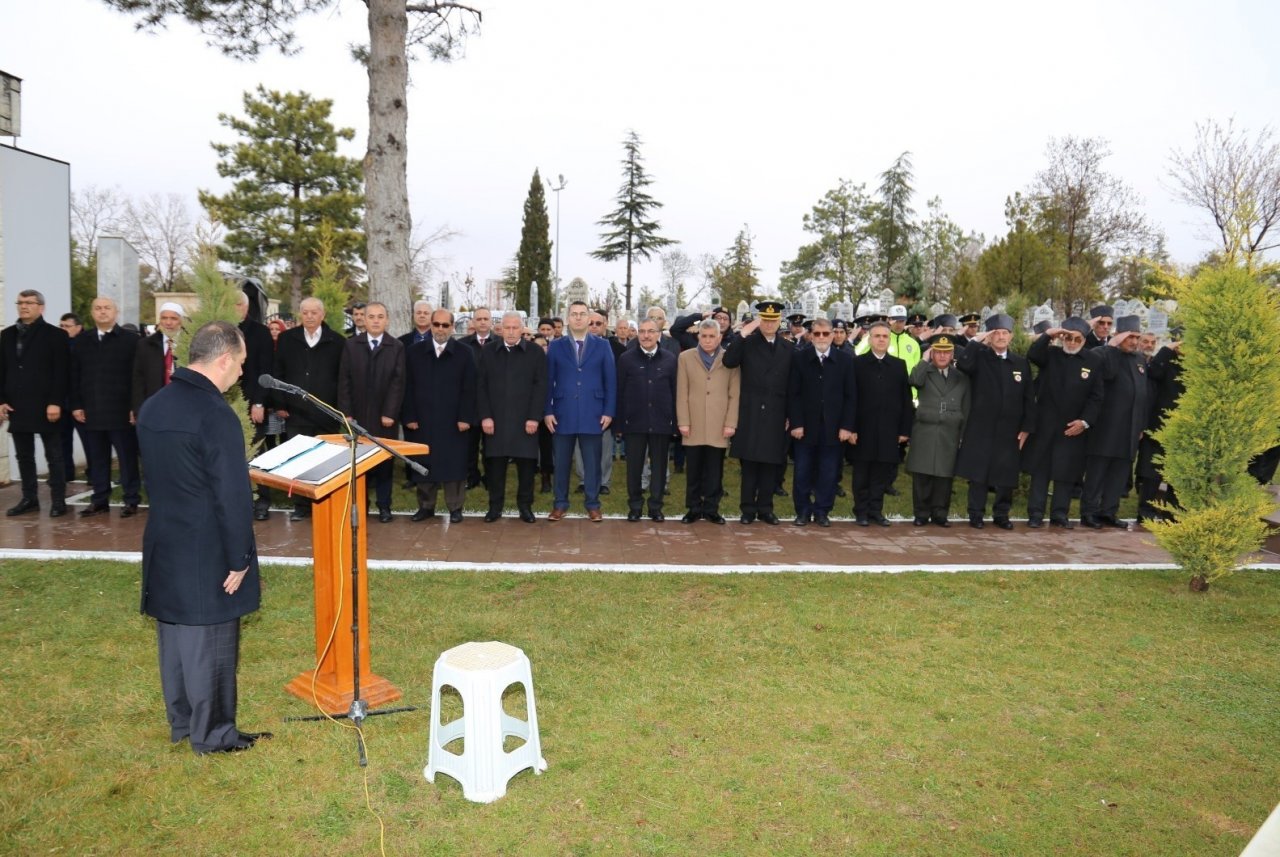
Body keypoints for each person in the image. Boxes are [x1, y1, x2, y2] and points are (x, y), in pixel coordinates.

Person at [137, 320, 268, 755]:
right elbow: (231, 495)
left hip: (165, 535)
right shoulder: (215, 414)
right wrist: (239, 558)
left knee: (175, 633)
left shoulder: (156, 404)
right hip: (206, 542)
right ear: (225, 358)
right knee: (211, 640)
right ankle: (213, 733)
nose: (243, 373)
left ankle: (183, 720)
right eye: (242, 363)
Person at [1020, 318, 1105, 529]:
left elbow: (1096, 397)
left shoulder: (1092, 361)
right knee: (1041, 471)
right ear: (1062, 337)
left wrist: (1085, 422)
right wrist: (1049, 335)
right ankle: (1036, 514)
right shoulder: (1051, 355)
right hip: (1045, 424)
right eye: (1068, 337)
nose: (1072, 342)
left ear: (1084, 341)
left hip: (1072, 428)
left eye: (1077, 339)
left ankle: (1059, 514)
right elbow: (1033, 354)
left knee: (1066, 473)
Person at [954, 313, 1036, 529]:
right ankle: (976, 514)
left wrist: (1026, 428)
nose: (1001, 337)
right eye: (996, 333)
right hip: (982, 427)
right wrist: (978, 339)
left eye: (1005, 333)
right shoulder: (979, 357)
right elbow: (962, 364)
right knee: (979, 473)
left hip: (1010, 430)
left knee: (1006, 474)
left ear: (1011, 336)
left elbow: (1029, 398)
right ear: (990, 337)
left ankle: (1001, 514)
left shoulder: (1020, 363)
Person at [271, 296, 346, 520]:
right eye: (305, 313)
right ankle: (302, 506)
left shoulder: (337, 341)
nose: (310, 316)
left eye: (314, 312)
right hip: (296, 411)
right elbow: (278, 374)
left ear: (322, 315)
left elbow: (343, 379)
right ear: (300, 315)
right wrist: (280, 403)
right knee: (299, 459)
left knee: (326, 460)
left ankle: (324, 505)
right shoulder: (286, 339)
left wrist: (342, 410)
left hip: (326, 412)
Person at [722, 300, 795, 525]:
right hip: (751, 411)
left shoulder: (788, 348)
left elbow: (793, 384)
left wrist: (790, 414)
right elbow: (729, 361)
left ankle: (765, 508)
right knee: (750, 463)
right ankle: (747, 509)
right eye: (765, 320)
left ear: (779, 321)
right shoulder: (748, 343)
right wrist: (742, 334)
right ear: (759, 321)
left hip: (776, 413)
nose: (769, 324)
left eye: (773, 320)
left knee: (771, 464)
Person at [70, 297, 142, 518]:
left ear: (116, 312)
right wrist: (76, 405)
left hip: (121, 412)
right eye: (98, 308)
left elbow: (136, 377)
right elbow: (74, 376)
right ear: (92, 313)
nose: (102, 312)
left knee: (127, 458)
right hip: (91, 410)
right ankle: (99, 499)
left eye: (107, 308)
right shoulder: (82, 341)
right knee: (97, 458)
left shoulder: (131, 340)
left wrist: (134, 407)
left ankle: (131, 499)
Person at [1, 289, 70, 517]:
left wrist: (55, 402)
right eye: (20, 302)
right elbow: (2, 370)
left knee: (54, 455)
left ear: (41, 307)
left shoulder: (55, 335)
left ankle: (58, 500)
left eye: (29, 303)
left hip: (46, 405)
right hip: (17, 405)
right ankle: (29, 498)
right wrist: (1, 400)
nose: (23, 306)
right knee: (24, 455)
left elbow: (62, 373)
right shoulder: (8, 334)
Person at [544, 301, 615, 521]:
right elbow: (548, 381)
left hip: (593, 412)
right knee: (562, 462)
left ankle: (593, 504)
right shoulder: (556, 346)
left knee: (593, 463)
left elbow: (610, 381)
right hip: (562, 413)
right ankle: (560, 504)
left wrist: (608, 411)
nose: (577, 318)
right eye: (573, 314)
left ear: (588, 318)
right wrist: (547, 411)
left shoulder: (602, 346)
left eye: (582, 314)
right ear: (567, 318)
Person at [402, 309, 475, 524]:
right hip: (423, 420)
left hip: (454, 421)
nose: (440, 329)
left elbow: (470, 388)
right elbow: (407, 387)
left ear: (453, 327)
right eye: (436, 324)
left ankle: (455, 507)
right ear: (430, 326)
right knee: (424, 463)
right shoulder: (414, 352)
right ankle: (426, 506)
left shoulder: (464, 352)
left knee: (454, 464)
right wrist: (409, 416)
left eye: (445, 325)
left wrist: (465, 417)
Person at [337, 302, 406, 523]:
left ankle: (384, 506)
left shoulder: (395, 347)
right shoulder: (351, 345)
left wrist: (390, 413)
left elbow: (398, 383)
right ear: (363, 320)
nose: (375, 320)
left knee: (384, 463)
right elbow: (344, 380)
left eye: (380, 317)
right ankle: (362, 506)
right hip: (358, 416)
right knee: (360, 464)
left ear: (387, 320)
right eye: (371, 317)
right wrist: (346, 413)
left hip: (384, 418)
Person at [1081, 315, 1151, 529]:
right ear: (1119, 336)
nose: (1134, 341)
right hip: (1106, 427)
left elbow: (1143, 394)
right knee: (1097, 473)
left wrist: (1141, 425)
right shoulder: (1102, 354)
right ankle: (1089, 512)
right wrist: (1111, 346)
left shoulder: (1139, 359)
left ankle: (1108, 511)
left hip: (1130, 429)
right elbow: (1108, 375)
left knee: (1119, 474)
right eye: (1130, 336)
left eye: (1136, 337)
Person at [476, 311, 546, 523]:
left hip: (525, 421)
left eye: (516, 327)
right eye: (507, 327)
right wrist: (485, 416)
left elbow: (540, 386)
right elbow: (481, 386)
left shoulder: (535, 352)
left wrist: (534, 417)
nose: (512, 331)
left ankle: (525, 506)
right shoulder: (488, 352)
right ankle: (495, 507)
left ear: (522, 329)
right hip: (495, 421)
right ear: (501, 329)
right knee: (495, 467)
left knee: (526, 468)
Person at [788, 317, 857, 527]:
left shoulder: (845, 360)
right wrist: (796, 423)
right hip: (805, 428)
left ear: (833, 334)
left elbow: (850, 396)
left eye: (825, 333)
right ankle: (802, 511)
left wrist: (847, 426)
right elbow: (794, 394)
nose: (821, 338)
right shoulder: (800, 358)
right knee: (802, 472)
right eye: (816, 333)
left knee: (828, 473)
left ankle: (822, 511)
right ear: (810, 335)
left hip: (833, 428)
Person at [849, 321, 912, 526]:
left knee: (881, 473)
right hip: (863, 429)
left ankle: (876, 510)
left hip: (889, 429)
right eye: (877, 336)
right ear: (870, 338)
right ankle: (861, 511)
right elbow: (851, 398)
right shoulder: (857, 364)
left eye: (885, 336)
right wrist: (851, 428)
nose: (881, 340)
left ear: (889, 339)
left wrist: (904, 429)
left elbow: (905, 399)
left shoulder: (898, 365)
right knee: (862, 474)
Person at [676, 319, 739, 524]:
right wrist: (683, 421)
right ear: (698, 337)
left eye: (712, 336)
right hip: (693, 422)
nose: (708, 340)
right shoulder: (685, 357)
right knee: (693, 469)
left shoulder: (730, 359)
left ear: (719, 337)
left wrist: (731, 422)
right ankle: (693, 508)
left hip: (719, 423)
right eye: (704, 336)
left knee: (714, 470)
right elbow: (682, 392)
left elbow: (734, 393)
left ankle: (712, 508)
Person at [616, 318, 678, 522]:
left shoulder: (670, 359)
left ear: (659, 333)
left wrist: (675, 422)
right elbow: (620, 391)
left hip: (661, 422)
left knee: (659, 467)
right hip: (634, 422)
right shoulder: (626, 359)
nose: (646, 335)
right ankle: (635, 506)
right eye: (642, 331)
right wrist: (619, 423)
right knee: (634, 467)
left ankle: (655, 507)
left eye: (651, 331)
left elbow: (675, 392)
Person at [906, 333, 969, 527]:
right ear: (932, 353)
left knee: (944, 476)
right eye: (938, 352)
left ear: (952, 355)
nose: (942, 356)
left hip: (949, 431)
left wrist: (963, 434)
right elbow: (914, 380)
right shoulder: (925, 371)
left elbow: (966, 406)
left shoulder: (961, 376)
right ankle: (921, 513)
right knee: (922, 474)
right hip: (925, 428)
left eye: (947, 352)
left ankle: (940, 513)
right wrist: (924, 360)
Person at [235, 291, 277, 520]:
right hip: (225, 404)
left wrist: (260, 402)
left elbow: (265, 370)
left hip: (253, 404)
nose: (234, 307)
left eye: (238, 304)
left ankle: (262, 500)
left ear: (246, 307)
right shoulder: (220, 330)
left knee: (257, 455)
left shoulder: (260, 333)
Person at [1137, 337, 1183, 522]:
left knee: (1177, 474)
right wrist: (1167, 349)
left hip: (1182, 430)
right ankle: (1145, 512)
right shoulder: (1166, 362)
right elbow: (1153, 371)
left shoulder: (1196, 367)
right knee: (1151, 473)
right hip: (1158, 425)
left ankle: (1173, 512)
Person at [459, 307, 494, 489]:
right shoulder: (463, 345)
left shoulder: (500, 343)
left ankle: (490, 477)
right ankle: (471, 475)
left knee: (490, 446)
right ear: (473, 322)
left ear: (491, 322)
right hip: (470, 403)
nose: (482, 322)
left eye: (485, 318)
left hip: (492, 404)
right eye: (478, 319)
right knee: (469, 445)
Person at [132, 301, 186, 416]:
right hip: (154, 406)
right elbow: (138, 378)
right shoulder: (145, 344)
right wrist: (138, 409)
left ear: (181, 320)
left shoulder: (191, 343)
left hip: (184, 406)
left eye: (173, 318)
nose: (168, 322)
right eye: (164, 318)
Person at [58, 311, 90, 482]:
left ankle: (94, 473)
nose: (63, 329)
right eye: (61, 326)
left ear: (78, 327)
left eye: (67, 326)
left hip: (81, 403)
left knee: (89, 441)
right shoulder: (58, 344)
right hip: (62, 403)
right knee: (63, 441)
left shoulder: (85, 344)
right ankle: (66, 472)